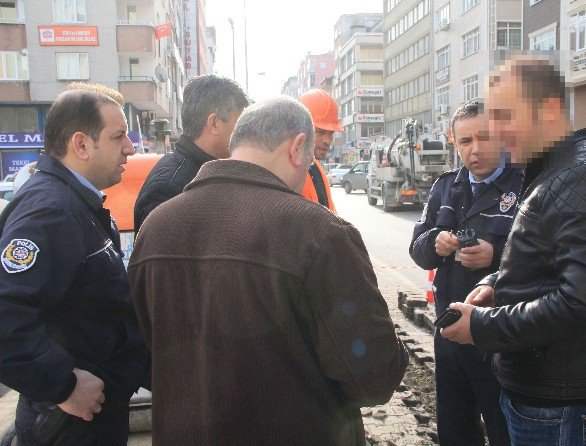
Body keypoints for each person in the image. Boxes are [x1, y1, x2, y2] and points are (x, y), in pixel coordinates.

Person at [129, 97, 408, 445]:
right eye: (307, 165)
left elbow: (150, 345)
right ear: (297, 147)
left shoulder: (156, 226)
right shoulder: (317, 233)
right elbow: (373, 380)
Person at [441, 57, 586, 446]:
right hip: (549, 392)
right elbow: (552, 260)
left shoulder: (582, 176)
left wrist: (482, 326)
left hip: (562, 403)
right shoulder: (555, 169)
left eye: (504, 116)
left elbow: (585, 304)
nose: (495, 131)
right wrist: (498, 283)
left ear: (548, 109)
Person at [0, 90, 150, 445]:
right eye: (118, 136)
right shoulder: (53, 212)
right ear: (81, 145)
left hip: (93, 416)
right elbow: (5, 314)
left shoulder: (76, 205)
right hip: (69, 424)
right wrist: (64, 385)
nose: (130, 148)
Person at [410, 100, 519, 446]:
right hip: (451, 334)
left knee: (504, 430)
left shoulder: (524, 185)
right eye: (465, 141)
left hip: (500, 338)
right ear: (454, 143)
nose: (475, 149)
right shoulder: (446, 186)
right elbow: (417, 249)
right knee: (455, 430)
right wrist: (435, 242)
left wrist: (495, 256)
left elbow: (545, 257)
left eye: (483, 138)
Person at [133, 74, 248, 229]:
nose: (243, 133)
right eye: (240, 124)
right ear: (214, 123)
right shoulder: (168, 188)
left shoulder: (207, 171)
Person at [299, 89, 342, 212]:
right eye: (320, 132)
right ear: (300, 128)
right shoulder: (286, 171)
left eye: (331, 133)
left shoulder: (315, 167)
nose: (327, 140)